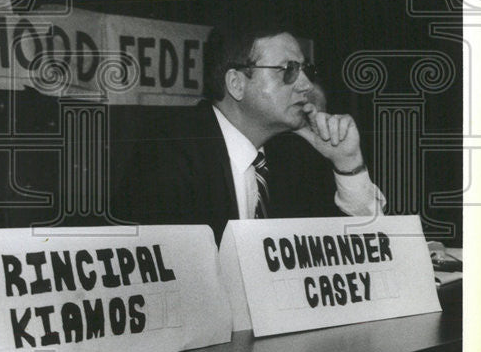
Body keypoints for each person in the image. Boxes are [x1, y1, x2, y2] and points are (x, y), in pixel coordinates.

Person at [113, 23, 385, 244]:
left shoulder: (298, 151)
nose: (305, 84)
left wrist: (348, 164)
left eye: (306, 70)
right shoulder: (171, 151)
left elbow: (370, 250)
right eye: (288, 70)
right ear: (236, 84)